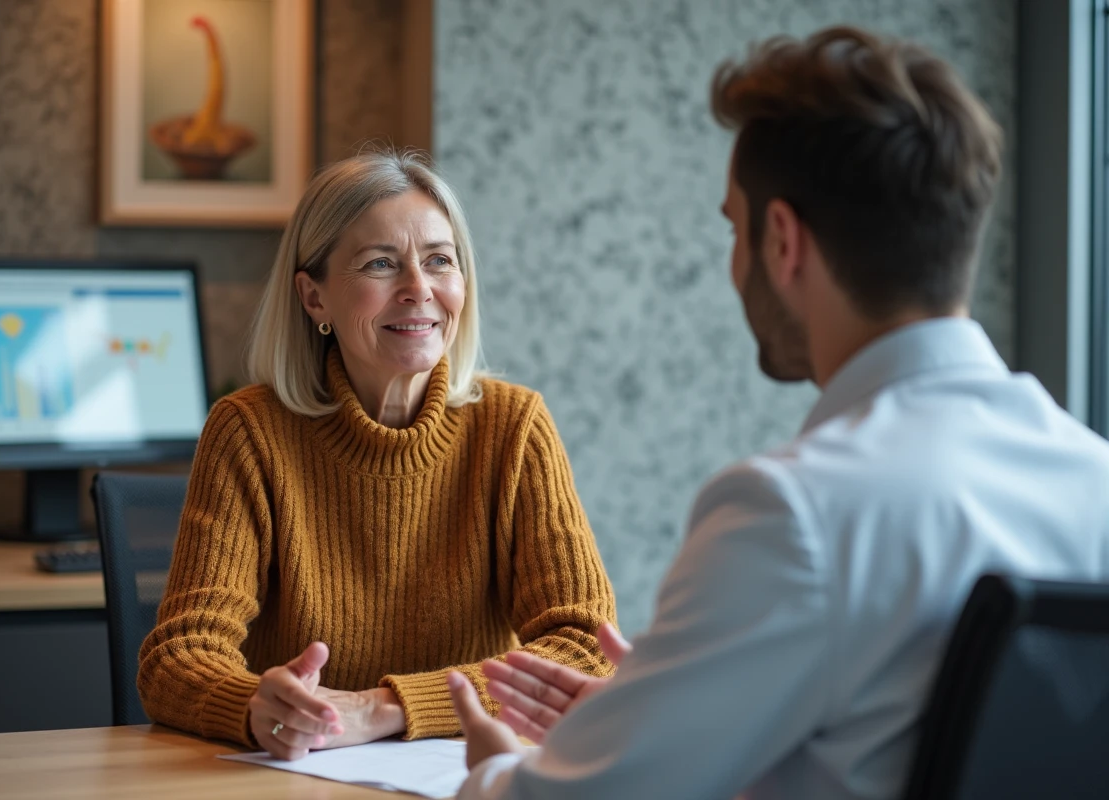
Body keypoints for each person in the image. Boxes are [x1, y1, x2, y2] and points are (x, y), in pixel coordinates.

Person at [446, 25, 1109, 800]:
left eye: (736, 227)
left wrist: (495, 768)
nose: (736, 262)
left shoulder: (793, 517)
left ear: (783, 242)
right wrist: (659, 723)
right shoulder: (1094, 482)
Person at [136, 150, 617, 759]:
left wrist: (381, 708)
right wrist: (257, 707)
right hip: (293, 775)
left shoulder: (514, 427)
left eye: (440, 260)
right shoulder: (250, 431)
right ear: (314, 298)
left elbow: (586, 647)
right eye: (381, 264)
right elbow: (178, 655)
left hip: (463, 775)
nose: (419, 289)